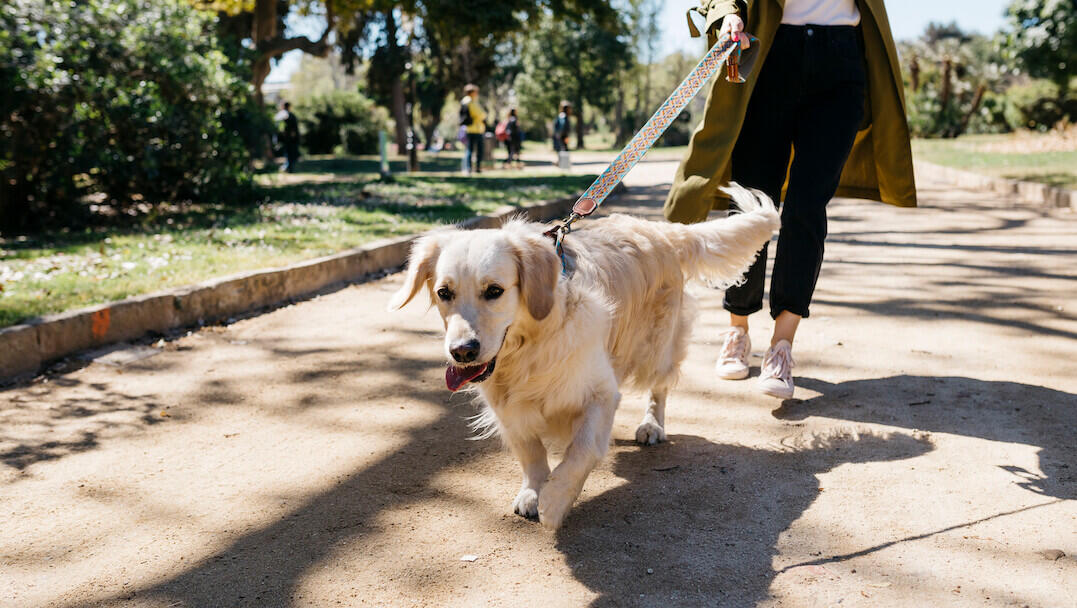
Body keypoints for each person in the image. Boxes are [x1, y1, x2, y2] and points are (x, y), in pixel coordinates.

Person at [665, 0, 916, 399]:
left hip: (842, 60)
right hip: (770, 55)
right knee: (753, 203)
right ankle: (738, 330)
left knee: (806, 206)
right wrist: (728, 14)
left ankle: (781, 347)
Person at [460, 84, 487, 174]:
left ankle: (470, 168)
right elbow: (481, 114)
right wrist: (483, 115)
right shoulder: (470, 101)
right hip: (476, 129)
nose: (477, 93)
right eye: (475, 92)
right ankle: (474, 168)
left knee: (470, 149)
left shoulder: (466, 101)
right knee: (476, 150)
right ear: (472, 92)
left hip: (470, 129)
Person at [276, 100, 300, 173]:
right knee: (291, 153)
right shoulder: (289, 115)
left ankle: (287, 167)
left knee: (288, 153)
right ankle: (287, 167)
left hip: (286, 138)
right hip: (290, 138)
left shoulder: (280, 115)